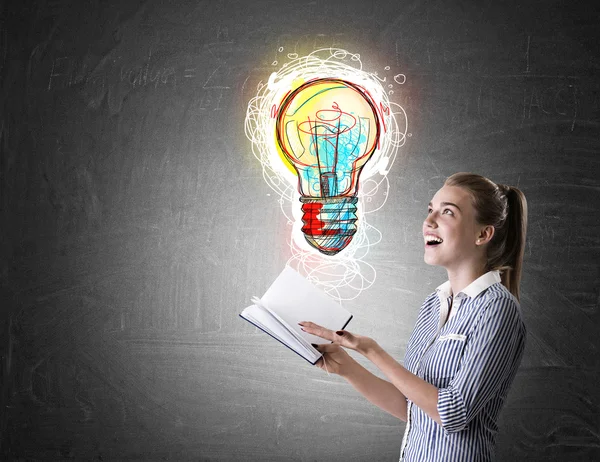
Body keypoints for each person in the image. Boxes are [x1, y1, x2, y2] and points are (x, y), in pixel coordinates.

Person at [299, 172, 528, 461]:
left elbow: (453, 413)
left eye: (448, 212)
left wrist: (372, 350)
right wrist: (346, 367)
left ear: (483, 234)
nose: (429, 221)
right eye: (430, 209)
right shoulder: (432, 305)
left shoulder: (498, 309)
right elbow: (412, 408)